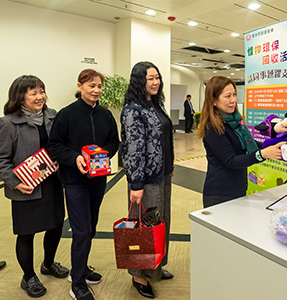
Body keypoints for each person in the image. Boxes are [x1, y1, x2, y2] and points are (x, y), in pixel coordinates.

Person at [47, 69, 119, 300]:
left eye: (99, 86)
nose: (96, 90)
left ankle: (82, 268)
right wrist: (75, 158)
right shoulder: (66, 115)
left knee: (92, 227)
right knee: (81, 230)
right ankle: (77, 283)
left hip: (98, 180)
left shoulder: (106, 114)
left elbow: (113, 142)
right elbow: (54, 146)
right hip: (74, 181)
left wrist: (103, 154)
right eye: (91, 86)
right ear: (80, 86)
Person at [0, 75, 68, 298]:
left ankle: (48, 264)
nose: (40, 97)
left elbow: (60, 145)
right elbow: (2, 160)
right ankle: (28, 276)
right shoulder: (8, 123)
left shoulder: (53, 116)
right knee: (27, 233)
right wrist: (16, 183)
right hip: (25, 188)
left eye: (42, 91)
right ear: (21, 97)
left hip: (52, 183)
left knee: (56, 225)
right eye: (34, 93)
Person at [120, 61, 175, 299]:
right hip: (145, 179)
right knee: (142, 227)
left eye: (157, 78)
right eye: (149, 79)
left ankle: (155, 266)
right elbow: (133, 149)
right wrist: (136, 184)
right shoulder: (133, 110)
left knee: (161, 222)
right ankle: (138, 274)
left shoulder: (156, 105)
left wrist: (169, 166)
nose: (154, 82)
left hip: (162, 174)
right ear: (139, 82)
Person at [198, 76, 285, 208]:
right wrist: (262, 154)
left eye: (234, 94)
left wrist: (278, 144)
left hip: (238, 188)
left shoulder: (235, 122)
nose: (233, 100)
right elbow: (231, 161)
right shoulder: (213, 128)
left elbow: (250, 143)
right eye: (227, 96)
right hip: (220, 194)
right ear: (214, 101)